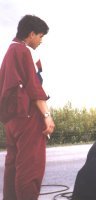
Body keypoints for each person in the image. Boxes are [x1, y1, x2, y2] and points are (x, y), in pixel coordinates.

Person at [0, 15, 55, 200]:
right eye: (40, 36)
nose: (41, 41)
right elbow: (34, 87)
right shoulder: (24, 51)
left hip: (11, 119)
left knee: (13, 166)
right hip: (27, 116)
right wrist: (47, 115)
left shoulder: (9, 52)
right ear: (31, 34)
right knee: (30, 167)